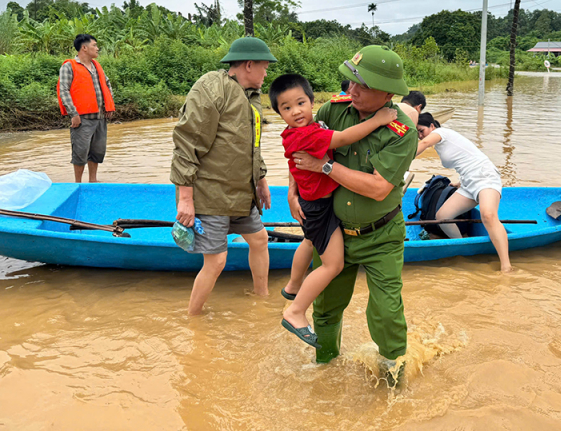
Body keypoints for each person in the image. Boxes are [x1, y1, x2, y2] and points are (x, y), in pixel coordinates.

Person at [289, 45, 418, 383]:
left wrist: (326, 166)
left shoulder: (403, 132)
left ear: (388, 92)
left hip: (381, 236)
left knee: (387, 313)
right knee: (327, 308)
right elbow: (299, 143)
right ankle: (324, 370)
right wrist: (292, 189)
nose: (352, 91)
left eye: (363, 85)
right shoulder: (334, 110)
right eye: (350, 82)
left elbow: (378, 189)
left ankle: (393, 380)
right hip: (334, 232)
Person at [269, 73, 398, 348]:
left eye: (301, 103)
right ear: (278, 113)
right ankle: (295, 311)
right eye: (287, 108)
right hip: (319, 207)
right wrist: (377, 120)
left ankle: (292, 287)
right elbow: (343, 138)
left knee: (308, 240)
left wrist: (294, 192)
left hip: (313, 203)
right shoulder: (308, 133)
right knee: (333, 264)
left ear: (312, 101)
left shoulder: (298, 131)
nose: (296, 111)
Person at [170, 37, 276, 315]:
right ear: (249, 65)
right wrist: (185, 198)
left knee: (259, 240)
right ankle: (193, 316)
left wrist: (261, 181)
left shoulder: (251, 96)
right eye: (264, 67)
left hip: (242, 193)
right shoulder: (211, 88)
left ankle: (262, 298)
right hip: (211, 194)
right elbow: (187, 143)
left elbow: (252, 145)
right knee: (216, 262)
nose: (266, 73)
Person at [415, 113, 512, 272]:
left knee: (488, 215)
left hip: (484, 177)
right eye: (417, 133)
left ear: (432, 126)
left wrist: (402, 157)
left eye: (421, 130)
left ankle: (506, 267)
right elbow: (466, 159)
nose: (420, 136)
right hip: (468, 182)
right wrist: (459, 182)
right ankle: (462, 246)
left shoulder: (441, 134)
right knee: (442, 217)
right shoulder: (440, 144)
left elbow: (425, 142)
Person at [56, 34, 115, 183]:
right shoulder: (68, 66)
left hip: (100, 117)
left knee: (97, 152)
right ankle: (78, 183)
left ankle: (93, 181)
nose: (97, 48)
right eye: (94, 45)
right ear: (84, 48)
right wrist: (73, 113)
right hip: (82, 119)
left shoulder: (96, 66)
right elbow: (64, 90)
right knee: (80, 152)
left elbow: (107, 85)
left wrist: (109, 104)